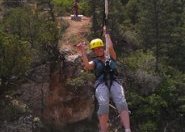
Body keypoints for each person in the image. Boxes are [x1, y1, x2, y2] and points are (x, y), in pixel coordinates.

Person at [76, 27, 131, 132]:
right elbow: (87, 66)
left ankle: (127, 129)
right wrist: (82, 51)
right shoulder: (95, 62)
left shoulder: (111, 57)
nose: (98, 50)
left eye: (100, 48)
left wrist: (107, 34)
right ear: (94, 51)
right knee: (103, 104)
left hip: (114, 81)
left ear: (102, 47)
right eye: (95, 50)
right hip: (101, 84)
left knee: (121, 102)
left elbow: (110, 47)